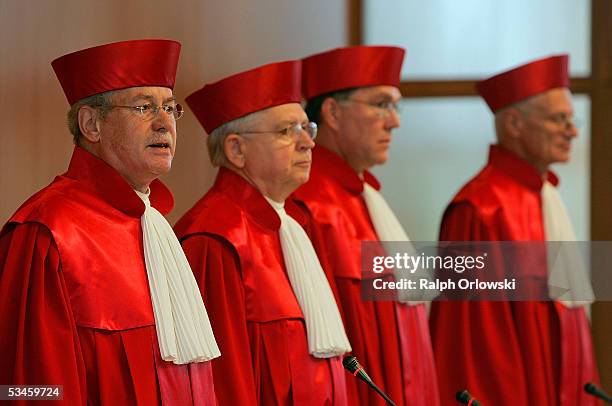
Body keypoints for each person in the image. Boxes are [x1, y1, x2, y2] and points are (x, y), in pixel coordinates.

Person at [0, 39, 220, 405]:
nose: (165, 123)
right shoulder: (48, 233)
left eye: (170, 108)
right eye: (144, 107)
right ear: (91, 124)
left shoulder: (156, 225)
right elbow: (29, 390)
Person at [175, 60, 351, 405]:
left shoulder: (295, 225)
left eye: (307, 128)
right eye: (287, 131)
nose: (308, 144)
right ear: (236, 150)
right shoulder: (214, 238)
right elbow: (222, 382)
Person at [429, 54, 599, 405]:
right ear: (514, 125)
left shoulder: (545, 196)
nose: (573, 131)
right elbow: (474, 346)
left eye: (572, 118)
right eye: (558, 119)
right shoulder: (479, 210)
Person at [293, 46, 440, 406]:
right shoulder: (307, 206)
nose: (395, 121)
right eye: (380, 105)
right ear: (332, 112)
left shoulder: (367, 198)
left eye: (395, 106)